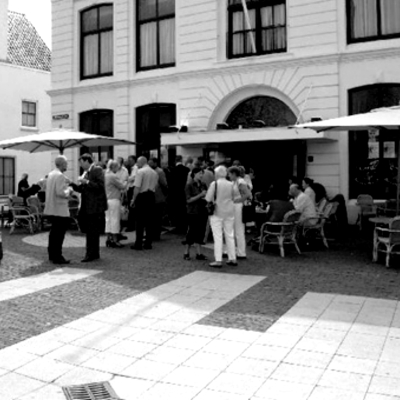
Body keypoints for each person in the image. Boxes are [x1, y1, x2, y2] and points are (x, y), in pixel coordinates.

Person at [70, 153, 107, 262]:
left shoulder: (97, 170)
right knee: (91, 231)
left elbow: (100, 186)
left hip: (94, 207)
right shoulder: (86, 173)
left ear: (87, 161)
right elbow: (82, 189)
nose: (80, 165)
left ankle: (91, 254)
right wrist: (72, 184)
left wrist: (86, 182)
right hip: (88, 206)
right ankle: (94, 253)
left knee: (92, 231)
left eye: (81, 162)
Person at [44, 155, 74, 264]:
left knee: (53, 233)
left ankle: (52, 254)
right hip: (60, 209)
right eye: (66, 163)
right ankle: (58, 256)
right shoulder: (60, 176)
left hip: (51, 208)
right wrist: (69, 190)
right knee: (59, 234)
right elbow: (60, 192)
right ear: (62, 164)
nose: (67, 165)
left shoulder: (51, 174)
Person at [205, 165, 237, 268]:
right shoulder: (231, 184)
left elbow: (208, 198)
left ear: (216, 174)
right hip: (229, 212)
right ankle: (232, 258)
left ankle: (218, 260)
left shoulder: (214, 184)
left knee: (218, 236)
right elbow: (234, 197)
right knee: (230, 235)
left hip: (217, 212)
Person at [130, 156, 158, 250]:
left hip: (142, 196)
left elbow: (137, 187)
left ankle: (138, 243)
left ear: (141, 162)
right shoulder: (154, 172)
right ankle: (148, 243)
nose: (137, 164)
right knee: (149, 221)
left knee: (139, 221)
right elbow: (155, 186)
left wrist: (133, 199)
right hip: (151, 196)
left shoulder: (140, 172)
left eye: (138, 163)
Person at [183, 167, 208, 261]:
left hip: (202, 210)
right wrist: (200, 195)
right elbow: (188, 200)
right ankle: (186, 252)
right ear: (194, 174)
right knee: (191, 231)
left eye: (202, 173)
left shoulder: (203, 184)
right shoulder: (189, 185)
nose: (201, 175)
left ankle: (199, 253)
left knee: (200, 232)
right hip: (193, 211)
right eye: (199, 173)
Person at [228, 166, 252, 260]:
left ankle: (241, 252)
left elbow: (248, 194)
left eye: (230, 174)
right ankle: (236, 250)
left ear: (234, 174)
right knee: (234, 229)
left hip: (238, 207)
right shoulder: (234, 182)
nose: (229, 176)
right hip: (234, 206)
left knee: (239, 229)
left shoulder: (240, 182)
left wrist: (239, 200)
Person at [105, 160, 127, 248]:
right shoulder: (113, 176)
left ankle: (108, 239)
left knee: (108, 220)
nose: (118, 169)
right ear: (113, 167)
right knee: (115, 220)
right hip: (114, 199)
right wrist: (126, 181)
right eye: (117, 167)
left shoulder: (105, 175)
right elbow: (122, 186)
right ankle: (115, 240)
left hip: (107, 199)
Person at [169, 155, 190, 232]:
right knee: (183, 209)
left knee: (176, 209)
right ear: (181, 160)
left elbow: (170, 182)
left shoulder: (172, 170)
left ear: (175, 161)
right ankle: (184, 225)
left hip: (175, 193)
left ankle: (178, 226)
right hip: (184, 191)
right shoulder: (186, 169)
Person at [149, 157, 168, 240]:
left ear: (155, 163)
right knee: (153, 217)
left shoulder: (159, 172)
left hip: (158, 197)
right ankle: (152, 233)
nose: (149, 164)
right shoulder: (151, 171)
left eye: (151, 163)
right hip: (152, 196)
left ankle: (156, 234)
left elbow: (164, 183)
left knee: (157, 217)